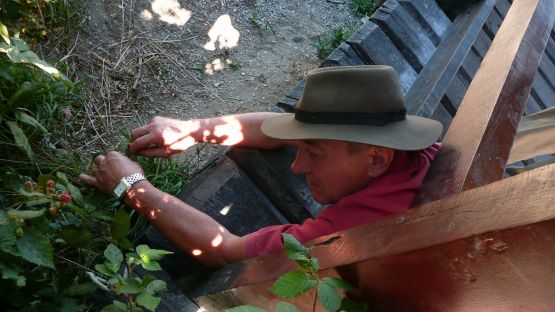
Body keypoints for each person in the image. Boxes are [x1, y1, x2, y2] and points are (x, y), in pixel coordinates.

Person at [79, 65, 442, 267]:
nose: (297, 166)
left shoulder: (351, 233)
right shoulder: (417, 156)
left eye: (313, 154)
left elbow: (226, 252)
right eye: (300, 149)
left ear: (377, 159)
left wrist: (131, 186)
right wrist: (191, 130)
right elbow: (279, 129)